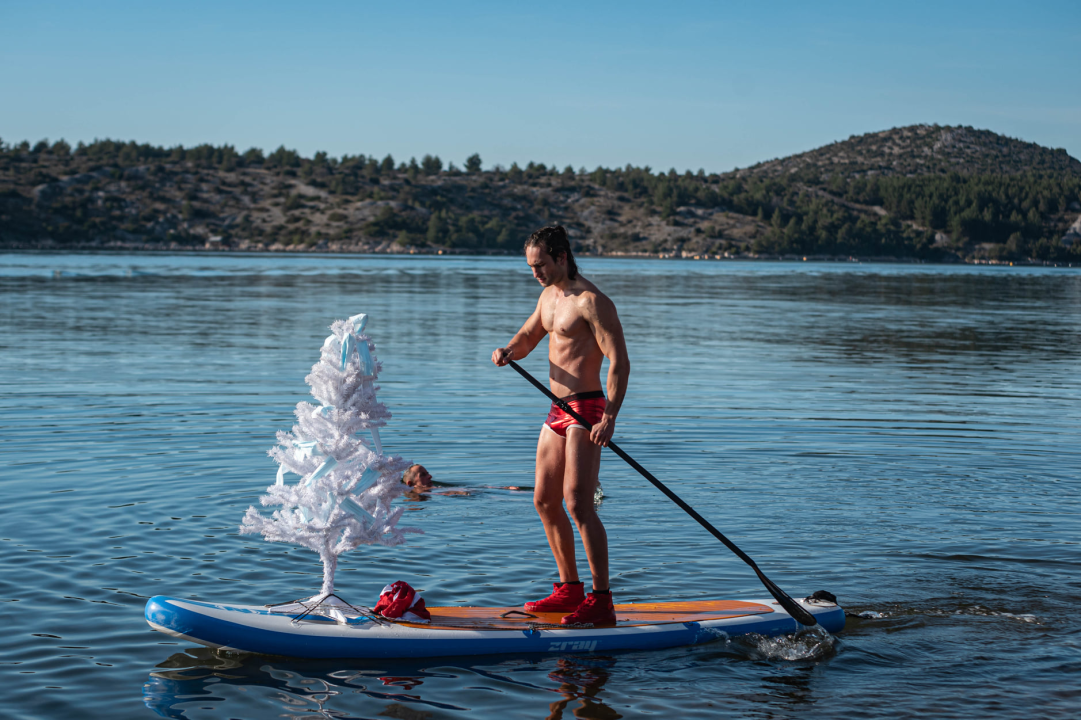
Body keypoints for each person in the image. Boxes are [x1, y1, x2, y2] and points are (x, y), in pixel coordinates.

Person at [492, 225, 629, 626]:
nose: (535, 272)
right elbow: (529, 335)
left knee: (578, 503)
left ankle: (601, 599)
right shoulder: (548, 296)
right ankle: (569, 589)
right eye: (531, 266)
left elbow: (619, 362)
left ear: (562, 256)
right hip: (555, 410)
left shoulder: (593, 302)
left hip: (586, 410)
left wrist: (610, 416)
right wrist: (508, 350)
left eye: (541, 265)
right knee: (544, 500)